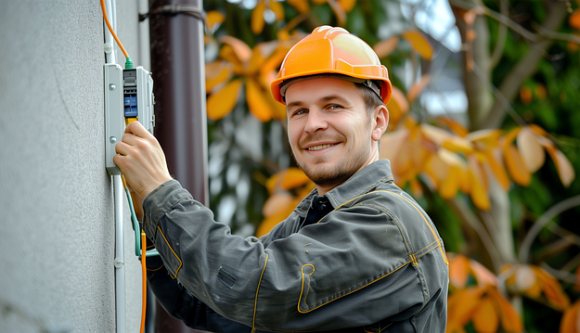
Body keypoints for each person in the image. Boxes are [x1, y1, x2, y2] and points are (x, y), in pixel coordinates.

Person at [114, 26, 449, 333]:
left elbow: (254, 286)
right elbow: (209, 304)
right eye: (299, 111)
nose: (313, 124)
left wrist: (162, 195)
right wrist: (149, 214)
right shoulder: (314, 218)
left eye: (332, 106)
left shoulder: (388, 224)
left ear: (378, 122)